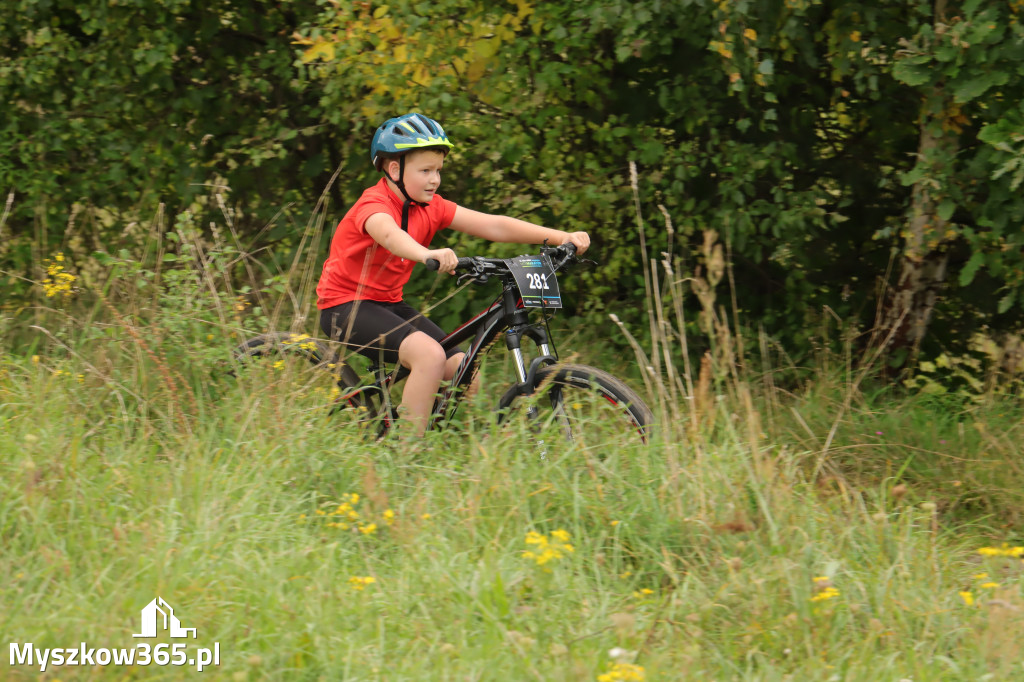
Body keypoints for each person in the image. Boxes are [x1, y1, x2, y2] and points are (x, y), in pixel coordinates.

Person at [317, 112, 590, 437]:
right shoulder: (374, 205)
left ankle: (435, 439)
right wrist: (426, 254)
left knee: (463, 367)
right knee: (430, 356)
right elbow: (390, 236)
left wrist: (561, 237)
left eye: (438, 171)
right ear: (394, 170)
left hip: (388, 304)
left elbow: (494, 224)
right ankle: (406, 458)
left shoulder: (431, 206)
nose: (435, 179)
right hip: (345, 307)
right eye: (425, 171)